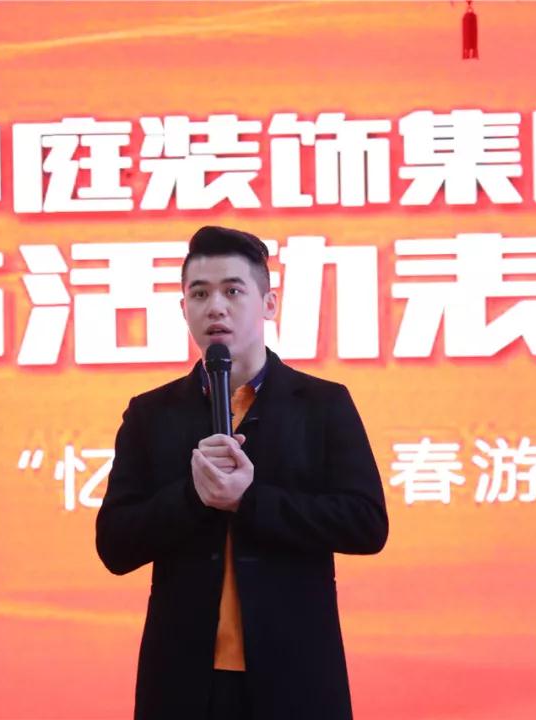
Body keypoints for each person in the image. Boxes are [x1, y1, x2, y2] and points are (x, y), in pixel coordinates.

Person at [96, 226, 389, 720]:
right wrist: (193, 496)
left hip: (295, 678)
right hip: (184, 683)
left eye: (233, 291)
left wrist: (249, 501)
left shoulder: (322, 404)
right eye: (200, 294)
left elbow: (366, 524)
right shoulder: (151, 414)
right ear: (183, 308)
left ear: (268, 304)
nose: (216, 307)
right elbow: (115, 545)